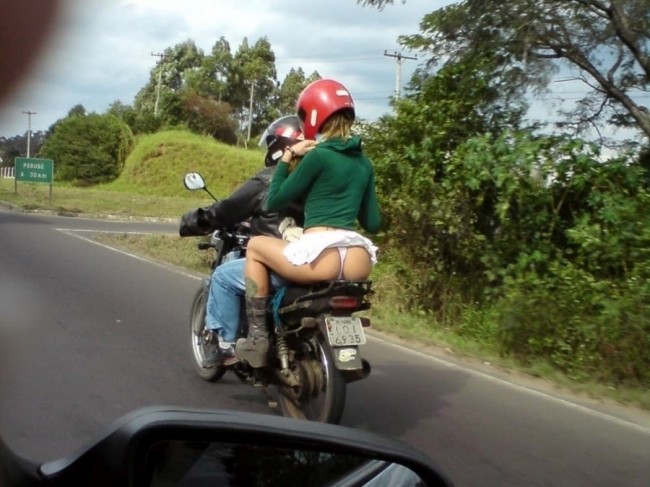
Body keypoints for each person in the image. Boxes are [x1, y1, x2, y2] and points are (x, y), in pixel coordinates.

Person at [236, 79, 381, 367]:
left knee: (254, 246)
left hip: (321, 255)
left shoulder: (318, 157)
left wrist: (288, 157)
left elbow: (274, 200)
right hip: (358, 259)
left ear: (314, 115)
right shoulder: (365, 164)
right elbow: (373, 223)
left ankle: (258, 337)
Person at [179, 115, 304, 366]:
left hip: (280, 264)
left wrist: (195, 220)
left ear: (277, 146)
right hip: (316, 263)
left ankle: (226, 346)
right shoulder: (315, 179)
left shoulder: (269, 179)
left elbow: (227, 209)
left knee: (222, 277)